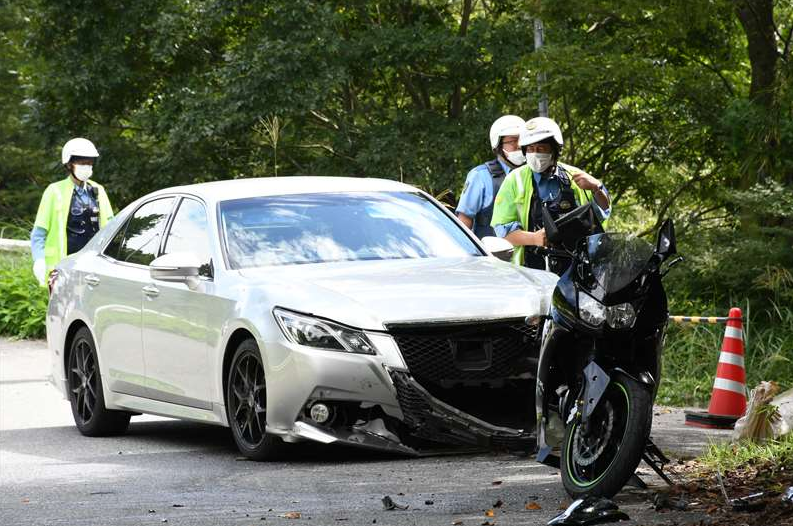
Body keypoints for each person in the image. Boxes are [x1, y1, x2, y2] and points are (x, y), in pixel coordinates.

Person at [491, 117, 611, 273]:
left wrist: (596, 188)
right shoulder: (515, 180)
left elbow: (603, 213)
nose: (535, 153)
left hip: (575, 268)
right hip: (531, 269)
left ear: (554, 150)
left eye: (541, 148)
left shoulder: (575, 176)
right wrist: (533, 238)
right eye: (530, 148)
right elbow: (502, 231)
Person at [30, 138, 113, 285]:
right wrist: (39, 260)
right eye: (81, 163)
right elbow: (38, 234)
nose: (86, 167)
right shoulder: (54, 191)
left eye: (89, 163)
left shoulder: (99, 191)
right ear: (69, 164)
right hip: (63, 269)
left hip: (93, 268)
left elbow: (111, 226)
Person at [456, 115, 527, 238]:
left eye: (521, 140)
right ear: (498, 145)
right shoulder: (481, 176)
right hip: (493, 253)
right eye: (512, 141)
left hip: (529, 251)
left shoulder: (533, 174)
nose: (519, 145)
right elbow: (464, 219)